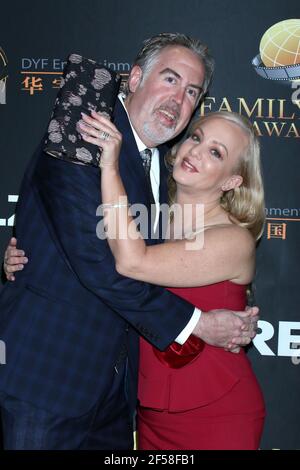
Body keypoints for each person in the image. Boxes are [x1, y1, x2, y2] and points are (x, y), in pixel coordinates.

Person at [0, 33, 258, 450]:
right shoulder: (85, 129)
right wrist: (198, 324)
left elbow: (198, 259)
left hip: (116, 397)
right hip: (46, 382)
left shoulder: (164, 166)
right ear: (135, 77)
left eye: (192, 92)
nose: (178, 100)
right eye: (170, 79)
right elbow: (96, 260)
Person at [75, 109, 266, 450]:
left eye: (216, 152)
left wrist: (109, 165)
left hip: (217, 414)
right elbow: (94, 261)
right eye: (196, 137)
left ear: (231, 181)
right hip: (148, 412)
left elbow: (133, 262)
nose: (196, 150)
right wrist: (20, 257)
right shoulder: (151, 213)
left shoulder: (233, 240)